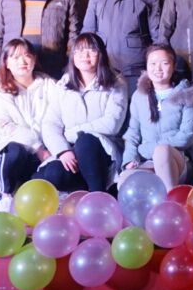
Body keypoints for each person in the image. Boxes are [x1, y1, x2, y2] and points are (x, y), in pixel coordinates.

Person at [36, 33, 128, 194]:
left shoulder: (116, 82)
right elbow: (50, 123)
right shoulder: (63, 85)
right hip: (72, 150)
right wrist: (63, 150)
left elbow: (111, 124)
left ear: (101, 54)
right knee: (53, 174)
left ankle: (97, 195)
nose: (84, 55)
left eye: (91, 50)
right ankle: (85, 191)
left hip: (103, 151)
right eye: (79, 50)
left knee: (86, 141)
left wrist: (73, 133)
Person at [0, 37, 62, 206]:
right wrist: (38, 148)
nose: (22, 62)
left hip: (46, 149)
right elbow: (5, 127)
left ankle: (34, 192)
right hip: (15, 150)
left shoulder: (49, 85)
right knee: (13, 149)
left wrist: (50, 147)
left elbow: (59, 116)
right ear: (6, 63)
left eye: (27, 55)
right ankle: (6, 195)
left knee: (57, 172)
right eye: (15, 57)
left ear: (34, 59)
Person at [122, 43, 193, 188]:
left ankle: (170, 200)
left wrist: (146, 149)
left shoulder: (187, 95)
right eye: (153, 64)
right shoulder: (138, 96)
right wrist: (129, 159)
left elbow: (187, 136)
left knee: (162, 151)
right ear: (147, 66)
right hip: (147, 162)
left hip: (179, 160)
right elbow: (132, 133)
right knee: (124, 179)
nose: (158, 69)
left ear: (173, 66)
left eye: (164, 63)